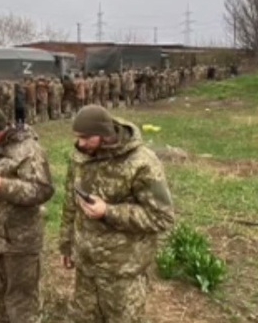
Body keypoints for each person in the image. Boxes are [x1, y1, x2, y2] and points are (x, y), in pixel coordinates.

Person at [60, 105, 175, 322]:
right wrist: (66, 245)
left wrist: (109, 211)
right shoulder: (81, 156)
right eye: (78, 137)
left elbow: (162, 217)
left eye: (86, 138)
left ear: (105, 134)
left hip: (122, 273)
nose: (80, 143)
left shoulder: (142, 163)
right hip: (86, 268)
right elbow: (70, 201)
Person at [0, 105, 54, 323]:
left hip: (18, 242)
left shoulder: (28, 150)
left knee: (21, 302)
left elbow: (42, 190)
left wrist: (3, 186)